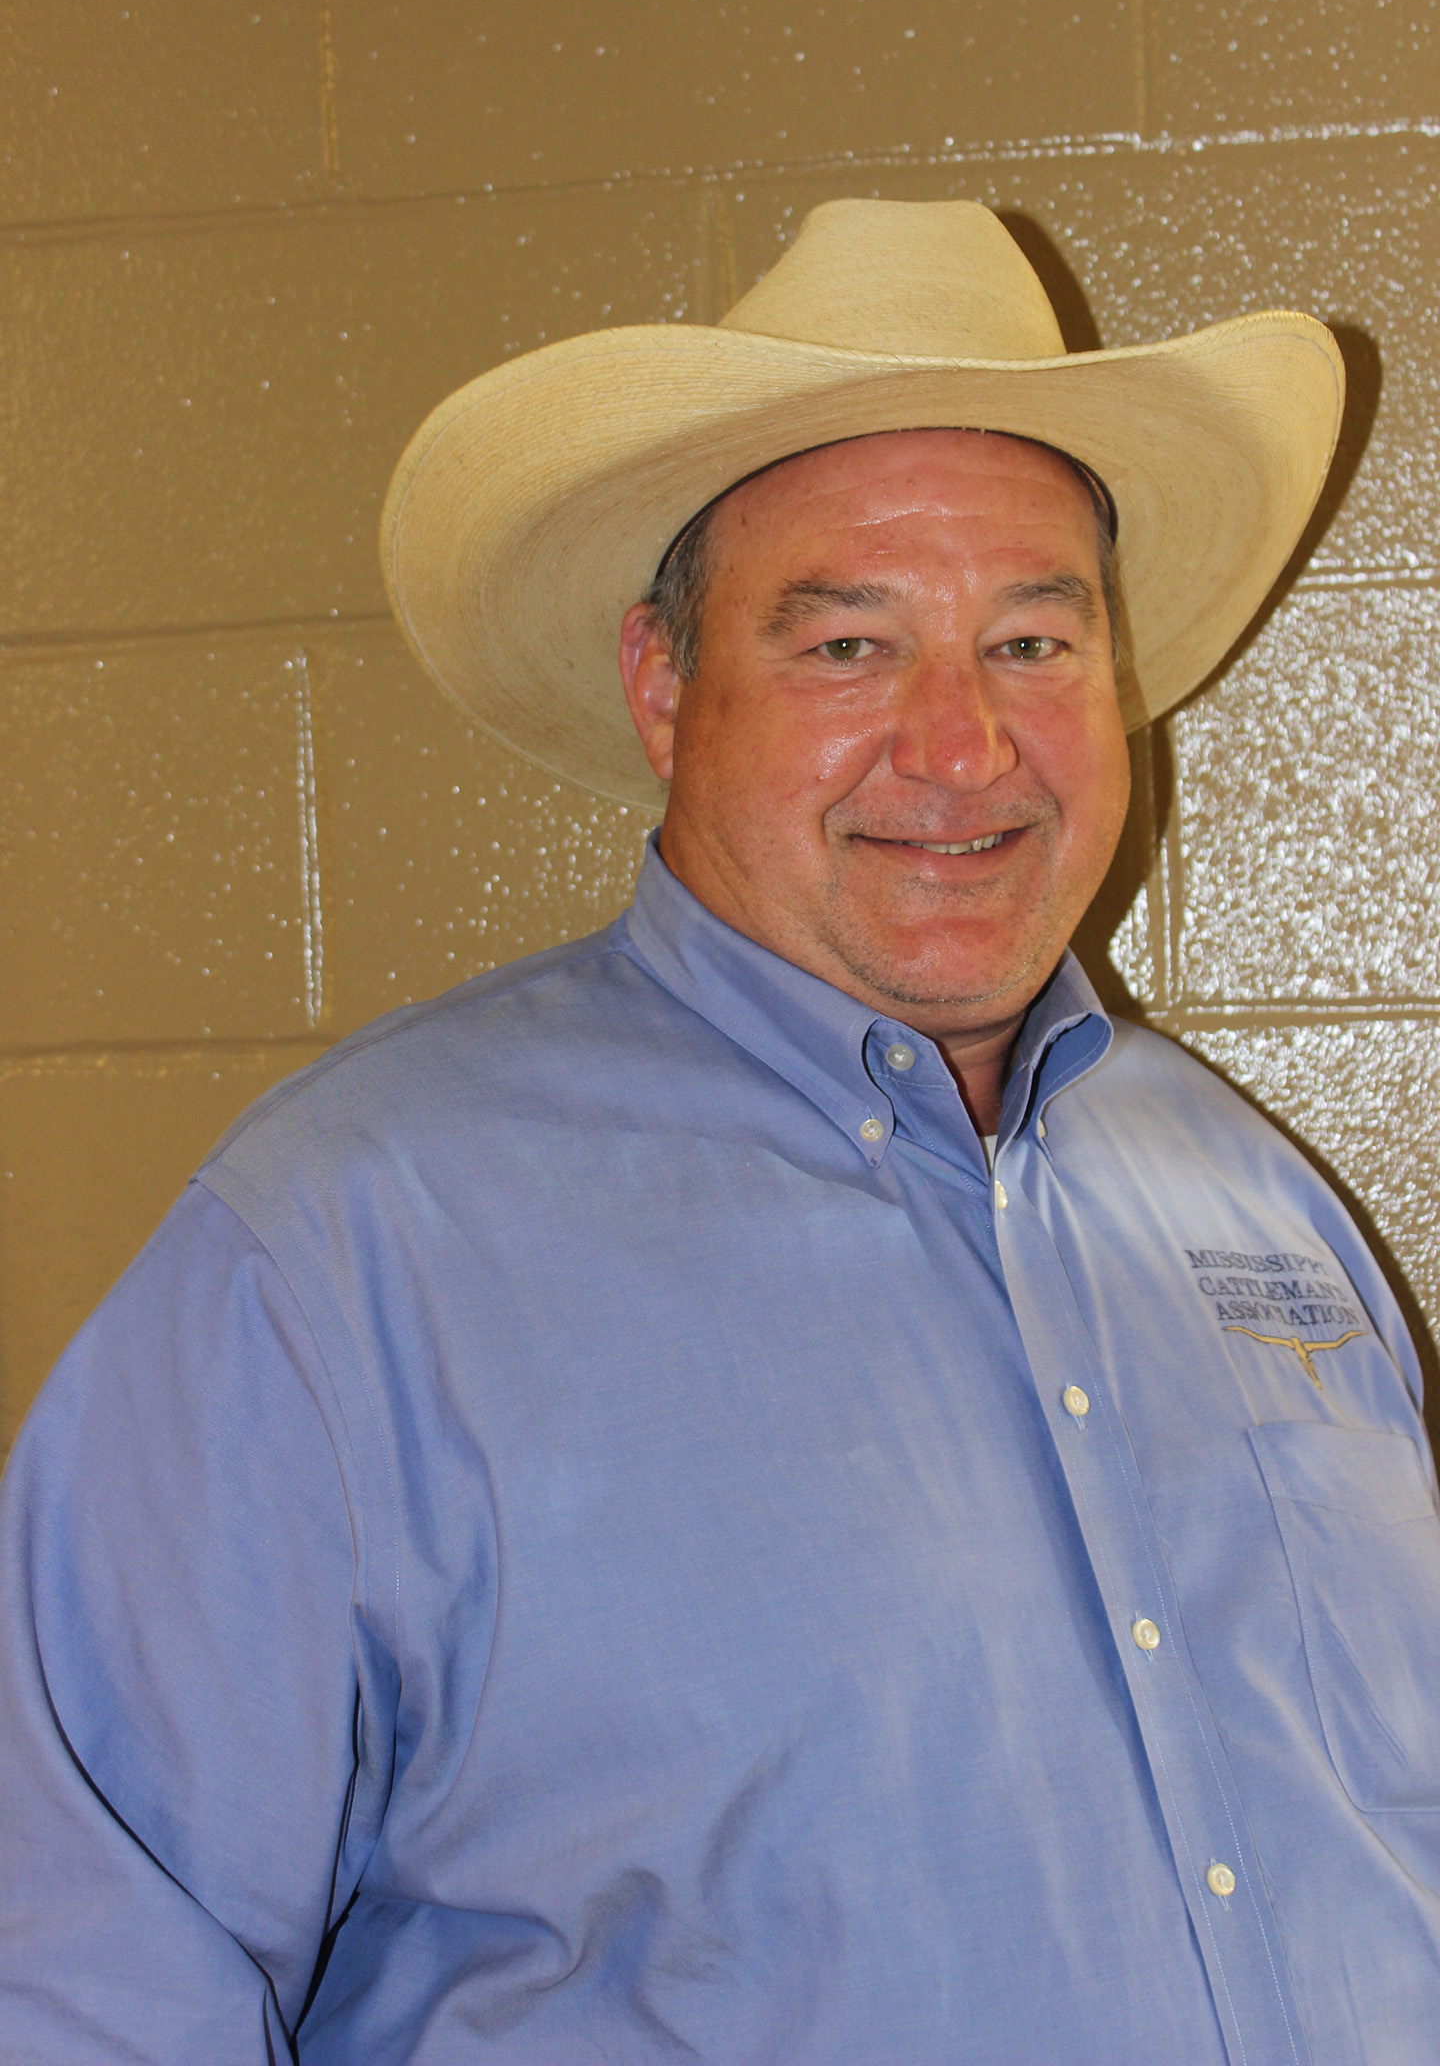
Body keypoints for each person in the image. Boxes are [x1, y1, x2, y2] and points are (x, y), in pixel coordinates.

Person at [0, 198, 1435, 2066]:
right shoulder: (346, 1254)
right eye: (847, 646)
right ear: (665, 686)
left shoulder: (1256, 1206)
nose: (962, 746)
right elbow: (83, 1979)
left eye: (1030, 640)